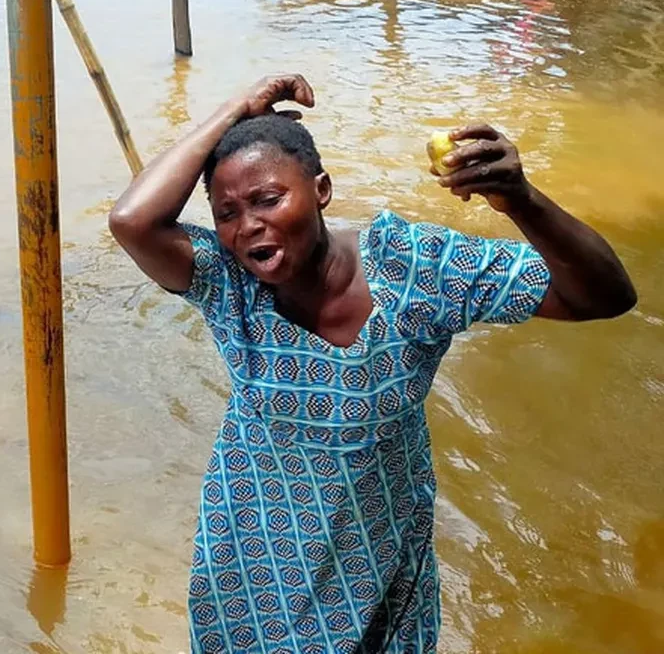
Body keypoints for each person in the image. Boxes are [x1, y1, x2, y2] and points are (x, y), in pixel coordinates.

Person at [107, 75, 636, 653]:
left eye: (268, 199)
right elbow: (133, 220)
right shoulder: (228, 283)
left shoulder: (415, 269)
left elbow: (604, 295)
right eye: (226, 212)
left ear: (322, 190)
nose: (247, 225)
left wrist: (522, 201)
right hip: (253, 562)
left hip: (375, 559)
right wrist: (235, 108)